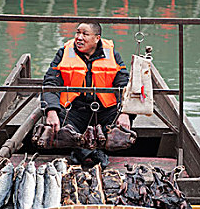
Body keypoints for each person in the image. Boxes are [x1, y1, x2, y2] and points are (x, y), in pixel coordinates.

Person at [42, 22, 133, 168]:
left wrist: (125, 112)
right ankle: (91, 153)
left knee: (122, 119)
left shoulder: (112, 54)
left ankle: (83, 153)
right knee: (54, 116)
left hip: (103, 110)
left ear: (97, 38)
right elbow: (50, 82)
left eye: (85, 34)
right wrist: (51, 110)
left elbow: (124, 84)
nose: (79, 38)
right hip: (73, 110)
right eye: (77, 33)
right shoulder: (64, 52)